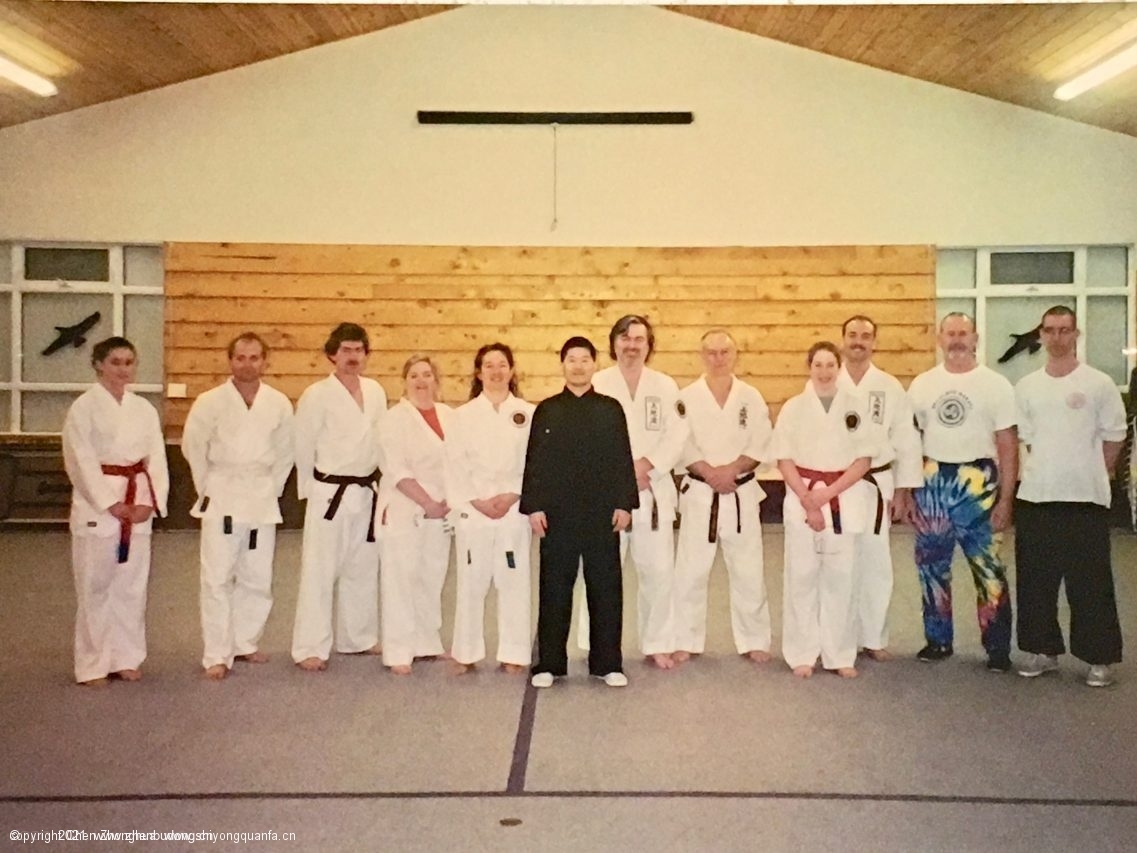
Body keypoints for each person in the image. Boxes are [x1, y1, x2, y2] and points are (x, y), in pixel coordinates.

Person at [1014, 306, 1127, 687]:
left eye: (1064, 330)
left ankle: (1098, 658)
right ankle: (1042, 651)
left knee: (1090, 583)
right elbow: (1025, 440)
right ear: (1041, 336)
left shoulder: (1099, 383)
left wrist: (1094, 473)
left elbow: (1114, 437)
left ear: (1076, 334)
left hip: (1085, 500)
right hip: (1037, 497)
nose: (1057, 337)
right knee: (1036, 581)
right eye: (1050, 330)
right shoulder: (1027, 386)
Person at [522, 336, 638, 688]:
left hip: (602, 512)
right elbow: (534, 461)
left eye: (584, 359)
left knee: (606, 588)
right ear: (563, 365)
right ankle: (549, 663)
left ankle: (607, 663)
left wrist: (624, 503)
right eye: (571, 359)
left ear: (594, 365)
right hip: (557, 514)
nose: (578, 366)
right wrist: (534, 506)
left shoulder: (610, 409)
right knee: (554, 587)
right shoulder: (547, 410)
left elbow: (622, 458)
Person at [905, 312, 1016, 672]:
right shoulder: (922, 384)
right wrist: (907, 491)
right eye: (950, 333)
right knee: (931, 566)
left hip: (979, 481)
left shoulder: (996, 385)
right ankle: (938, 640)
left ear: (975, 339)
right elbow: (909, 441)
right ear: (940, 339)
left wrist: (1006, 498)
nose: (956, 340)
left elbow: (1008, 444)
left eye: (963, 333)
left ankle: (997, 647)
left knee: (988, 568)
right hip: (932, 479)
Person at [181, 332, 294, 681]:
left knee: (257, 575)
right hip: (222, 492)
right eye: (240, 357)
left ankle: (245, 641)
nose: (247, 364)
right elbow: (193, 447)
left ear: (265, 361)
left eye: (254, 357)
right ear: (230, 361)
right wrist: (208, 487)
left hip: (261, 493)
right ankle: (216, 653)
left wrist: (271, 490)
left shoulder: (278, 403)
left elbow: (286, 452)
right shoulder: (210, 401)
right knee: (217, 576)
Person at [62, 337, 168, 686]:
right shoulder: (83, 408)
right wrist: (110, 502)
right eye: (116, 362)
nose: (124, 369)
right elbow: (80, 460)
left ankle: (126, 656)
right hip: (99, 502)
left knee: (131, 585)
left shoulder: (144, 409)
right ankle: (92, 664)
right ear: (98, 365)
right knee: (95, 586)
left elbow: (156, 458)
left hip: (137, 496)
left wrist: (148, 502)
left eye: (129, 362)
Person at [771, 342, 880, 679]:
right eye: (818, 365)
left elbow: (864, 459)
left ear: (839, 367)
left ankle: (839, 654)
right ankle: (802, 653)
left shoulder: (855, 406)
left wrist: (828, 493)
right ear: (809, 368)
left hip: (843, 495)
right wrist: (808, 498)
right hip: (802, 492)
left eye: (830, 365)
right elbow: (783, 458)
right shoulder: (793, 407)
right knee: (801, 576)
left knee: (842, 578)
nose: (824, 371)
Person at [588, 315, 688, 669]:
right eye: (625, 338)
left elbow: (677, 434)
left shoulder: (665, 385)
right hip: (605, 491)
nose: (631, 345)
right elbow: (583, 436)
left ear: (649, 345)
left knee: (658, 571)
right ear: (613, 343)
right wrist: (619, 471)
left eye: (639, 339)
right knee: (601, 571)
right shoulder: (596, 383)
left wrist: (649, 465)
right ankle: (597, 643)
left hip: (652, 487)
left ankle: (658, 642)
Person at [672, 329, 774, 664]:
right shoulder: (686, 397)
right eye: (711, 352)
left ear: (735, 355)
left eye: (724, 352)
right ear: (702, 356)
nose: (718, 358)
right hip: (701, 492)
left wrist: (731, 470)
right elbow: (681, 443)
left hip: (740, 493)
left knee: (748, 571)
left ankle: (754, 639)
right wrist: (710, 473)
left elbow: (761, 442)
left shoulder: (751, 397)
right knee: (691, 570)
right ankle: (685, 638)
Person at [291, 323, 386, 672]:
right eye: (346, 350)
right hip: (328, 492)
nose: (352, 356)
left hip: (365, 490)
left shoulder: (375, 391)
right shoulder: (316, 395)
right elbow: (302, 446)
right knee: (319, 571)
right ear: (332, 354)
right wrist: (309, 491)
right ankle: (310, 646)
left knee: (362, 567)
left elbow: (382, 441)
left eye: (358, 350)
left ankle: (357, 637)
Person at [446, 343, 535, 675]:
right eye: (489, 365)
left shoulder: (528, 413)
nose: (496, 371)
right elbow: (454, 464)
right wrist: (477, 500)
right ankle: (465, 652)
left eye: (502, 365)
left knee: (514, 580)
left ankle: (514, 652)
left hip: (514, 509)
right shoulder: (462, 416)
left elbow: (535, 461)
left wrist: (514, 494)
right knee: (472, 581)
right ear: (478, 372)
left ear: (512, 371)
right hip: (475, 511)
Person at [838, 315, 923, 661]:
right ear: (843, 340)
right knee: (838, 561)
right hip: (836, 484)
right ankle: (837, 636)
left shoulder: (889, 386)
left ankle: (873, 636)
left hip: (877, 482)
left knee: (876, 561)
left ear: (874, 342)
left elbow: (906, 440)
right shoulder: (827, 381)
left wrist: (903, 491)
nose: (858, 341)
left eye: (865, 336)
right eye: (852, 335)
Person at [378, 354, 454, 675]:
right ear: (404, 382)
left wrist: (450, 500)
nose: (421, 381)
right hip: (404, 506)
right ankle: (398, 650)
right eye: (414, 376)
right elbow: (396, 469)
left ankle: (426, 642)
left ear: (436, 380)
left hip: (442, 508)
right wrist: (427, 502)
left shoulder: (450, 416)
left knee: (431, 576)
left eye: (426, 375)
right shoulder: (393, 419)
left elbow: (460, 460)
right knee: (401, 578)